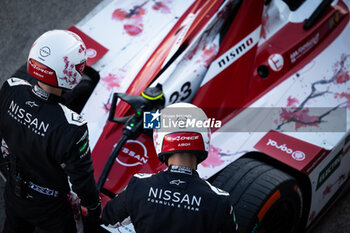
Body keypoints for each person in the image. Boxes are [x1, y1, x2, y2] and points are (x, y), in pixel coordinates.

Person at [0, 30, 100, 233]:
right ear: (72, 72)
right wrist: (94, 206)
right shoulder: (73, 126)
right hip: (51, 207)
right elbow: (82, 179)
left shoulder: (11, 88)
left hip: (14, 192)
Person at [102, 103, 237, 233]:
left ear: (160, 138)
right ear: (204, 138)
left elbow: (108, 219)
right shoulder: (220, 200)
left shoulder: (138, 184)